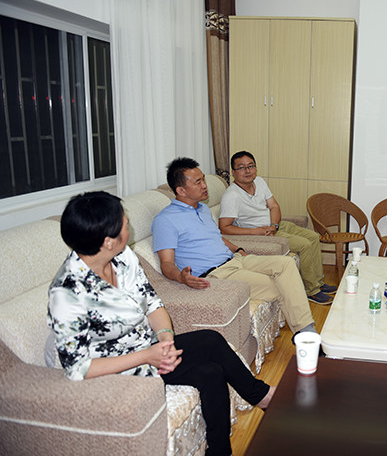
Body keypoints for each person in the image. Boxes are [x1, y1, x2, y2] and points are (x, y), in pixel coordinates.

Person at [47, 191, 275, 456]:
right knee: (209, 369)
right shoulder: (67, 292)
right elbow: (77, 369)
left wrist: (166, 339)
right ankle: (263, 398)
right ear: (108, 241)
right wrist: (148, 356)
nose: (129, 227)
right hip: (114, 373)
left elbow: (153, 303)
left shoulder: (123, 258)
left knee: (211, 357)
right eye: (125, 223)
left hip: (149, 351)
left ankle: (232, 435)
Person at [152, 157, 320, 336]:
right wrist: (181, 277)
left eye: (204, 179)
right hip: (217, 273)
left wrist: (236, 249)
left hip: (235, 259)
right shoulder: (165, 220)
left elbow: (216, 237)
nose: (205, 185)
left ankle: (306, 332)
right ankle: (307, 334)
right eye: (198, 182)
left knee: (286, 264)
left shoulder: (202, 209)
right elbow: (166, 264)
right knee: (281, 287)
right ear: (181, 190)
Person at [219, 151, 335, 304]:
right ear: (233, 172)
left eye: (251, 166)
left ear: (256, 168)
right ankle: (311, 290)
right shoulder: (232, 195)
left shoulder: (259, 181)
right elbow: (224, 227)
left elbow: (274, 206)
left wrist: (274, 225)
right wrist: (256, 231)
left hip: (275, 225)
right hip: (262, 233)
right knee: (304, 245)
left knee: (313, 237)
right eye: (241, 168)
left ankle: (318, 282)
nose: (247, 171)